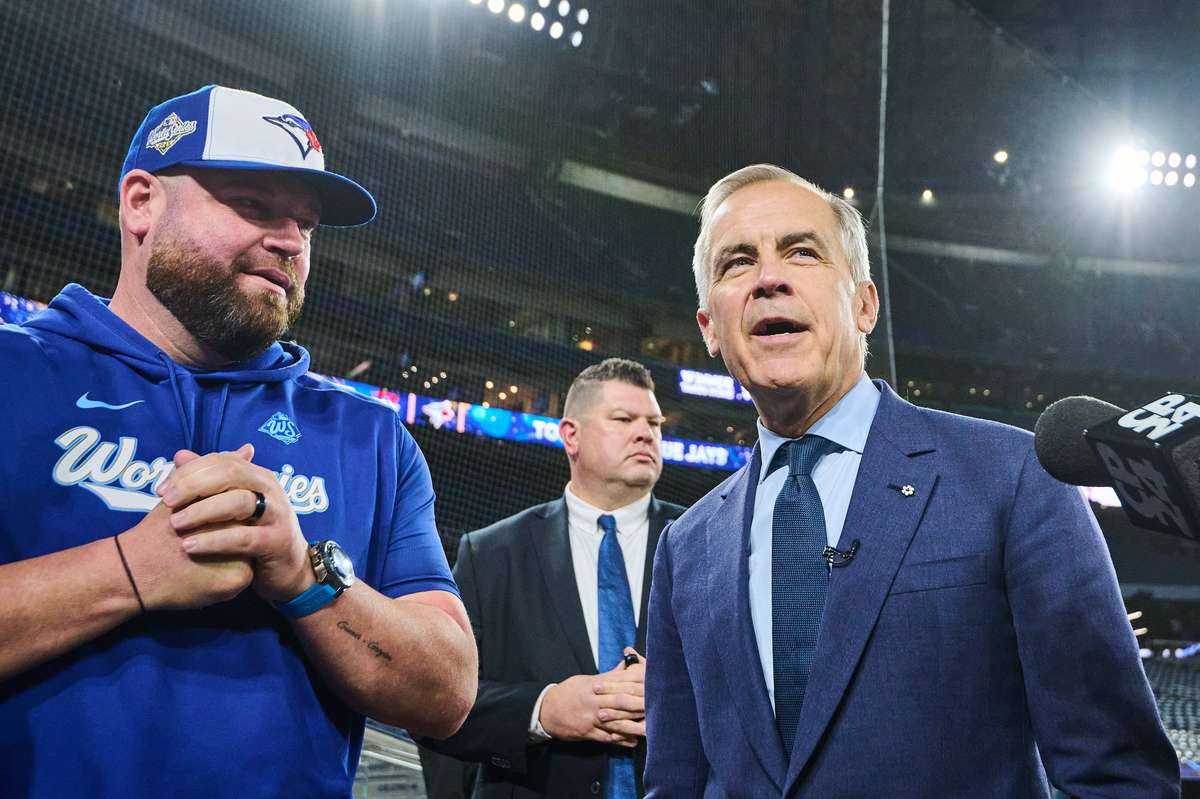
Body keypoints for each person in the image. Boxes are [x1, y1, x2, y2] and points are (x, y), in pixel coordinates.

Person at [0, 85, 477, 798]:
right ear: (141, 203)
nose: (290, 241)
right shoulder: (14, 372)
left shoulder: (370, 438)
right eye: (253, 204)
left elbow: (448, 694)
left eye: (306, 224)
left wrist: (304, 574)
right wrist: (131, 570)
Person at [643, 164, 1179, 798]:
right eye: (737, 263)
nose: (768, 278)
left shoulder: (1012, 477)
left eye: (802, 252)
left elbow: (1117, 775)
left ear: (865, 304)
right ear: (709, 326)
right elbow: (674, 783)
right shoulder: (686, 546)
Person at [421, 358, 686, 798]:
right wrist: (542, 710)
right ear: (571, 435)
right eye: (624, 419)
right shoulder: (490, 553)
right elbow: (435, 701)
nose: (646, 433)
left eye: (655, 423)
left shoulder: (708, 541)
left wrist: (676, 692)